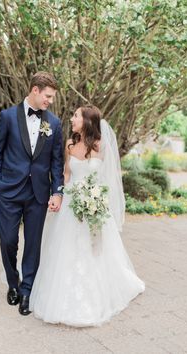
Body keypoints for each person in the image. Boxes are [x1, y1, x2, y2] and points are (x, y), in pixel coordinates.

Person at [30, 105, 145, 326]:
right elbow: (65, 175)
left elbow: (107, 179)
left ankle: (97, 295)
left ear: (87, 121)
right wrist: (58, 195)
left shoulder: (101, 146)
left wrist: (97, 200)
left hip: (93, 204)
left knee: (94, 250)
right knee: (65, 248)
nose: (72, 119)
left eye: (76, 116)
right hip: (71, 205)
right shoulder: (70, 144)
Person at [0, 72, 64, 316]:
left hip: (38, 194)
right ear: (35, 90)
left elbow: (56, 162)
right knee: (8, 240)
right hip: (8, 191)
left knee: (33, 244)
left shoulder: (53, 123)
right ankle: (13, 283)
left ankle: (27, 291)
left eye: (52, 97)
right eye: (47, 96)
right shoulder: (8, 117)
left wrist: (57, 191)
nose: (50, 101)